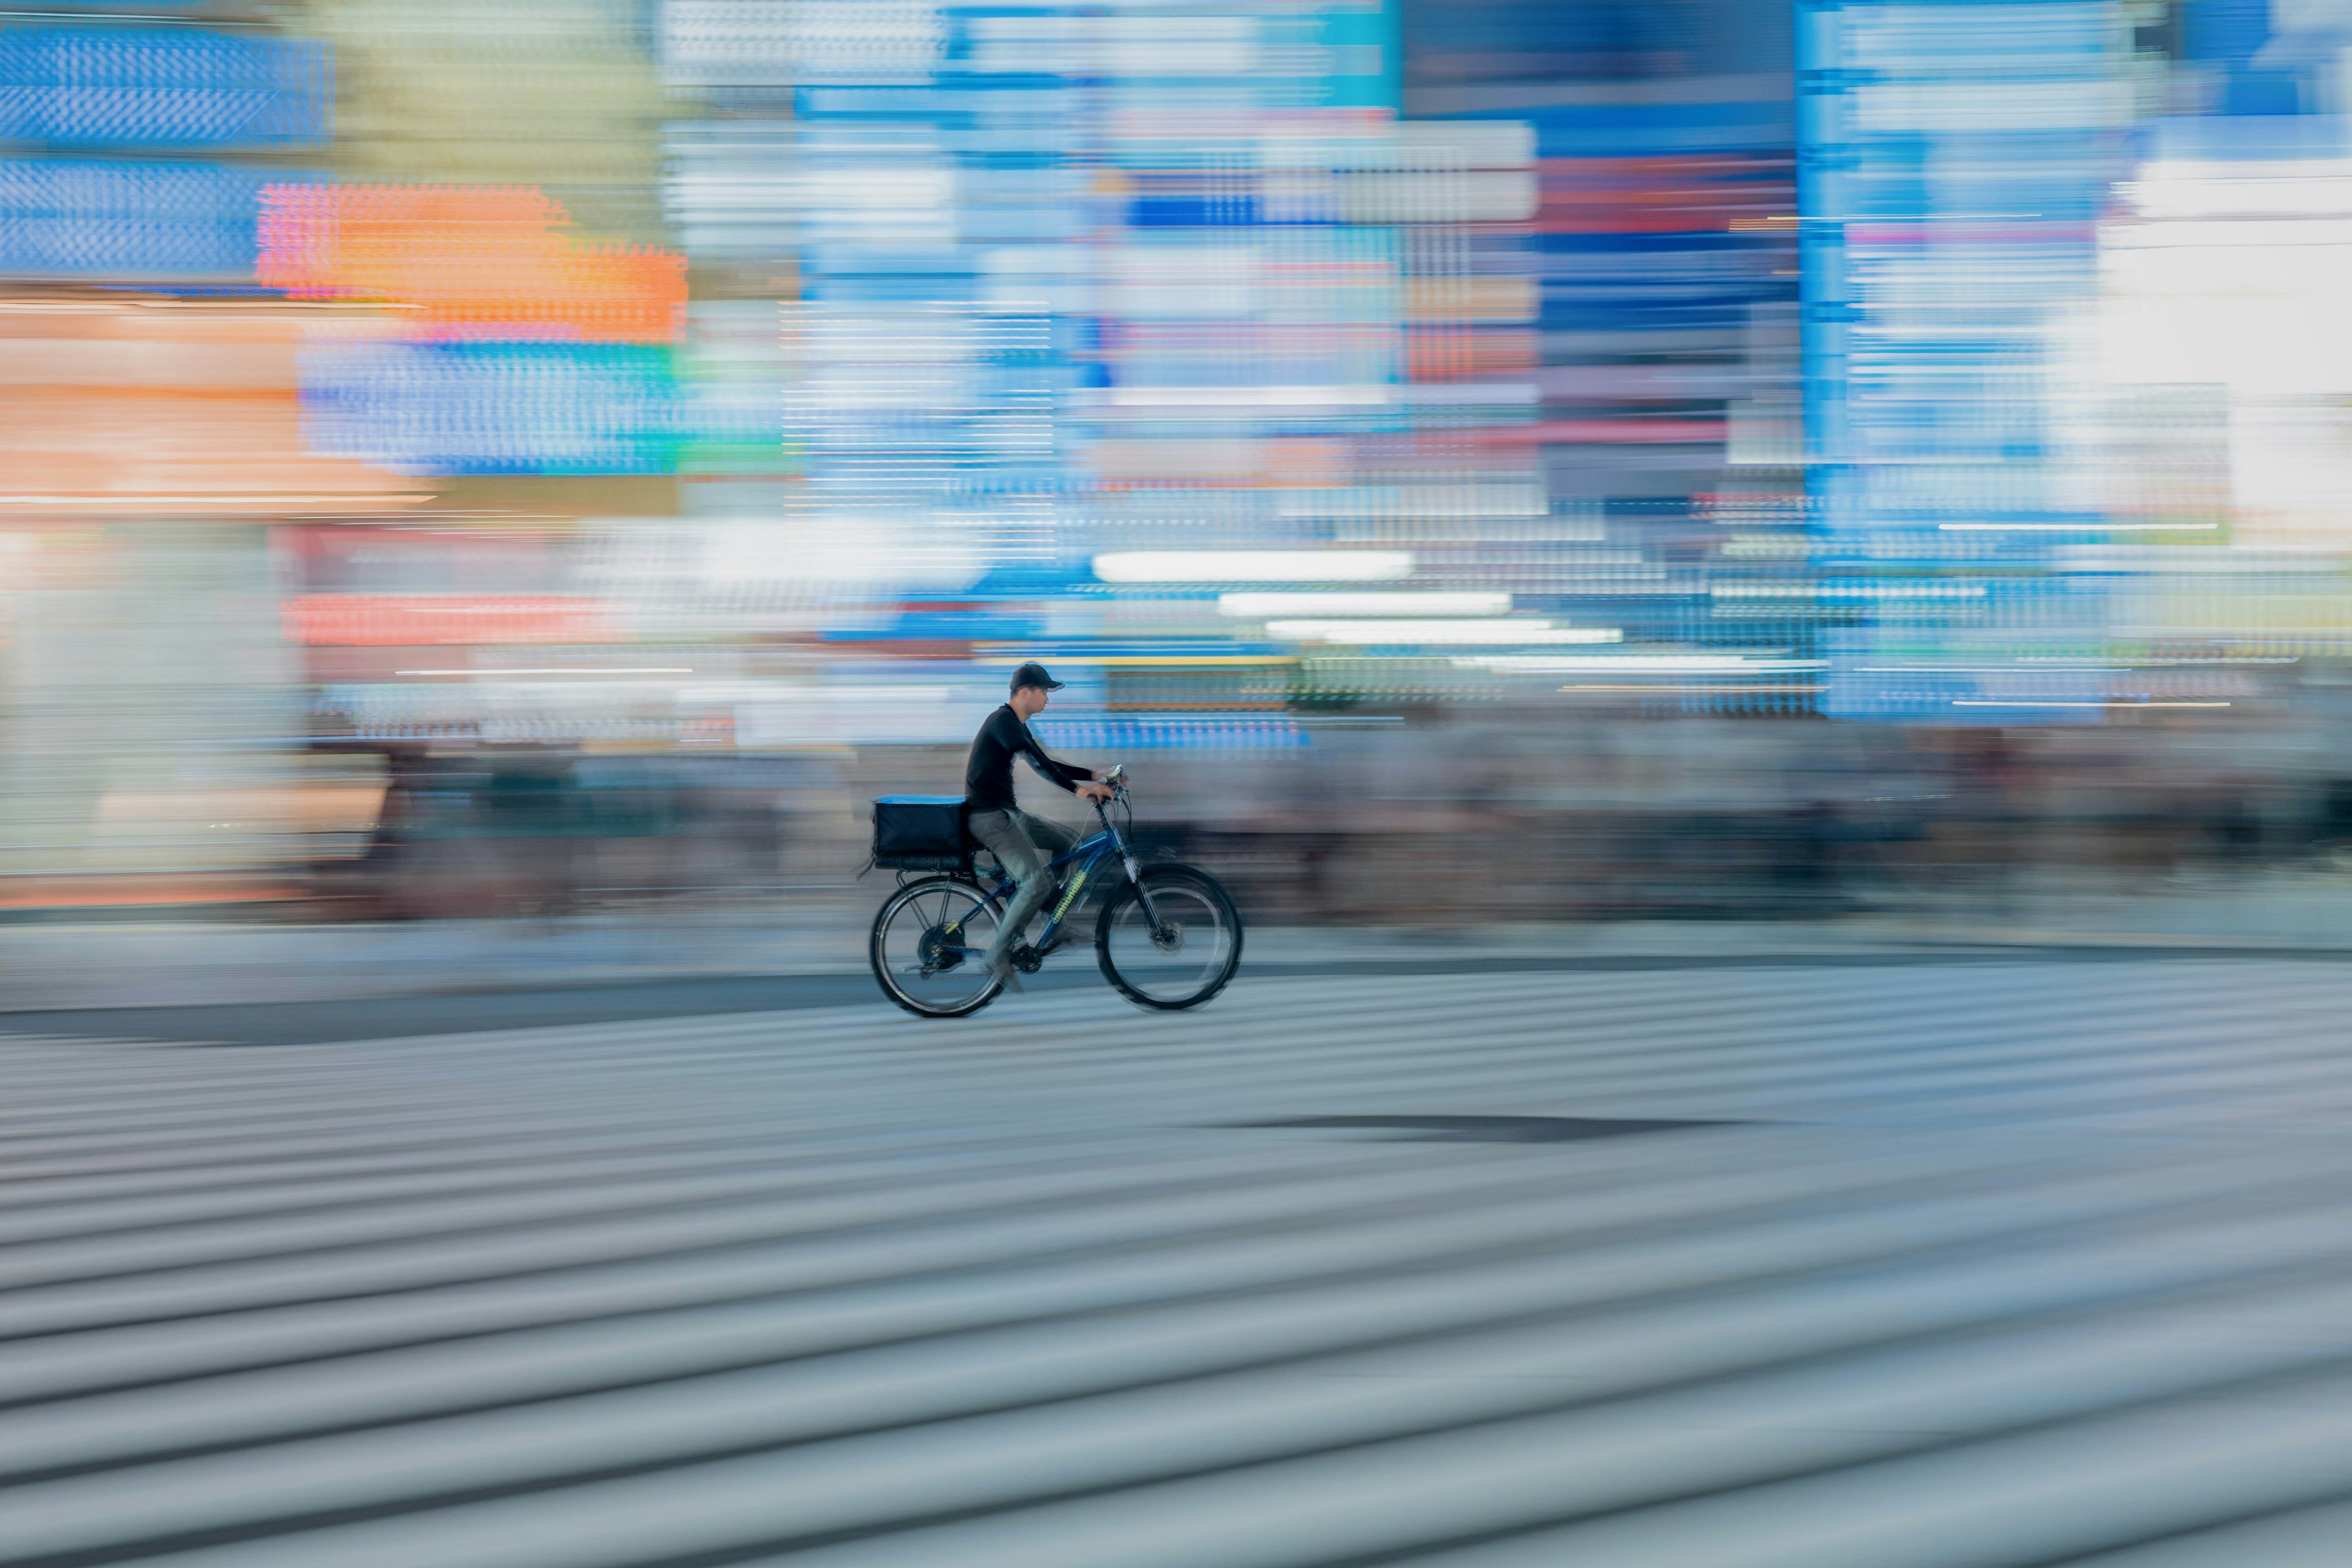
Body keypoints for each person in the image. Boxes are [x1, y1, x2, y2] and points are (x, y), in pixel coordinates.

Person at [965, 662, 1113, 988]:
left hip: (1007, 813)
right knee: (1035, 881)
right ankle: (996, 955)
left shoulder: (1015, 725)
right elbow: (1039, 766)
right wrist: (1080, 790)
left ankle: (1054, 921)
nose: (1048, 698)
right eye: (1044, 691)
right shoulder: (1003, 722)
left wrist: (1093, 775)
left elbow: (1045, 760)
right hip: (990, 818)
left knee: (1070, 847)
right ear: (1024, 692)